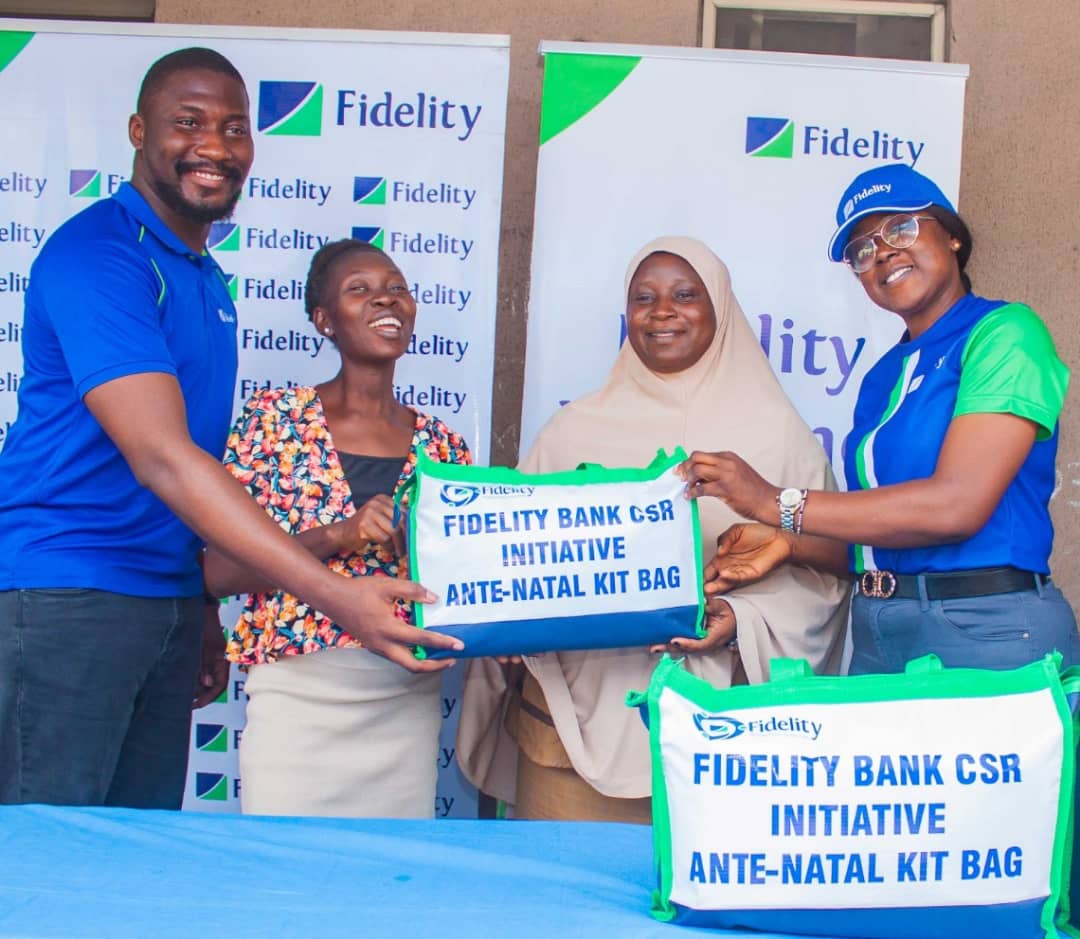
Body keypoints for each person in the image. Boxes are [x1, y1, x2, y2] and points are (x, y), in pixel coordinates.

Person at [0, 48, 459, 812]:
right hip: (71, 593)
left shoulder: (205, 277)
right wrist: (336, 595)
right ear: (139, 131)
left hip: (164, 601)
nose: (214, 145)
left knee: (137, 849)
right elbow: (163, 457)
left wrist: (201, 608)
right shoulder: (100, 255)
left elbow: (196, 481)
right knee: (48, 852)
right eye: (189, 123)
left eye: (234, 128)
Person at [457, 236, 850, 822]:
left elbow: (828, 577)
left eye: (685, 295)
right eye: (644, 298)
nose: (662, 312)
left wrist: (742, 620)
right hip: (569, 725)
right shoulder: (571, 431)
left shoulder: (779, 434)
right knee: (567, 877)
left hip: (725, 734)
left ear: (720, 308)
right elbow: (509, 558)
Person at [680, 163, 1079, 675]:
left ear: (952, 237)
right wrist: (790, 543)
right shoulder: (883, 375)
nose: (883, 252)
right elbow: (885, 540)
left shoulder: (1004, 333)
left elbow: (956, 506)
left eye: (901, 228)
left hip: (985, 627)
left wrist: (773, 503)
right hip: (878, 629)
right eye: (862, 250)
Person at [203, 240, 470, 818]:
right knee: (287, 867)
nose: (386, 300)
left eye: (396, 288)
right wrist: (338, 535)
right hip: (298, 699)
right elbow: (217, 573)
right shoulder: (274, 421)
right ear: (324, 320)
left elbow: (466, 587)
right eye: (360, 290)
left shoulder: (444, 448)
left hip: (404, 703)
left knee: (390, 870)